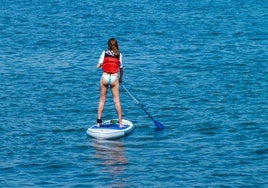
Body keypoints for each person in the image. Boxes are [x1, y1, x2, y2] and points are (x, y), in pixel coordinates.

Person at [96, 38, 124, 127]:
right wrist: (120, 79)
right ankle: (120, 123)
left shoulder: (104, 53)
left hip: (105, 77)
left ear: (108, 45)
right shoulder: (119, 55)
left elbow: (98, 66)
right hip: (114, 78)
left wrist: (102, 64)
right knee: (116, 101)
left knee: (102, 100)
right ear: (116, 45)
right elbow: (121, 69)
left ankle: (98, 122)